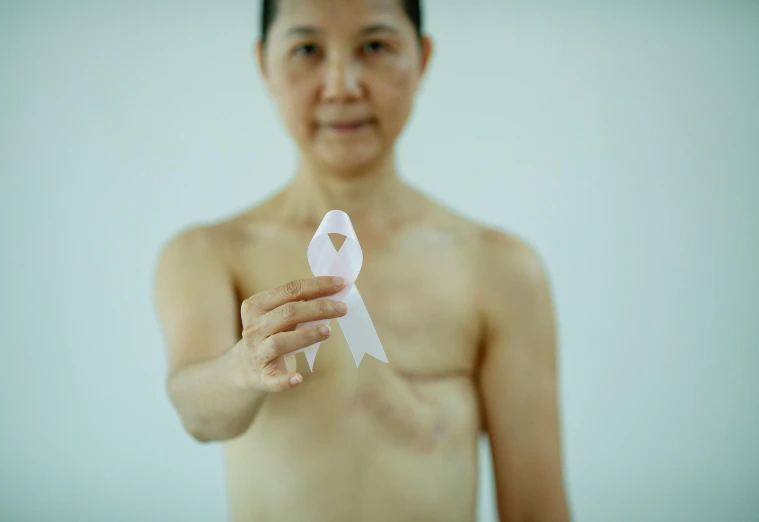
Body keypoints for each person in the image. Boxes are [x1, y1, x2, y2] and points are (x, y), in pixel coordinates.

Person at [153, 0, 570, 520]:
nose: (342, 85)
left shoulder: (499, 269)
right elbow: (198, 413)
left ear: (422, 57)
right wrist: (242, 366)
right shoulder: (207, 254)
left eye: (375, 47)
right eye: (307, 49)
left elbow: (536, 508)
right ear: (264, 65)